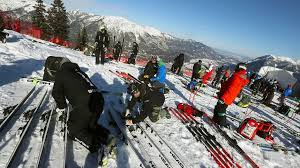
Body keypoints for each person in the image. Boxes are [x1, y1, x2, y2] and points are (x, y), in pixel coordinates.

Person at [51, 61, 115, 163]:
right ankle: (107, 136)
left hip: (86, 103)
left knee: (74, 130)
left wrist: (62, 107)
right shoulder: (78, 71)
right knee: (89, 125)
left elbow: (56, 92)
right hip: (99, 100)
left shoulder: (62, 72)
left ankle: (100, 149)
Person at [212, 63, 249, 127]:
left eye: (237, 67)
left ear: (240, 68)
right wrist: (224, 83)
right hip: (227, 96)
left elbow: (232, 89)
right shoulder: (239, 76)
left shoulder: (237, 77)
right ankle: (216, 119)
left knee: (221, 110)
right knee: (218, 108)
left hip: (226, 97)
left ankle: (222, 123)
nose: (235, 68)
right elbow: (229, 86)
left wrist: (223, 98)